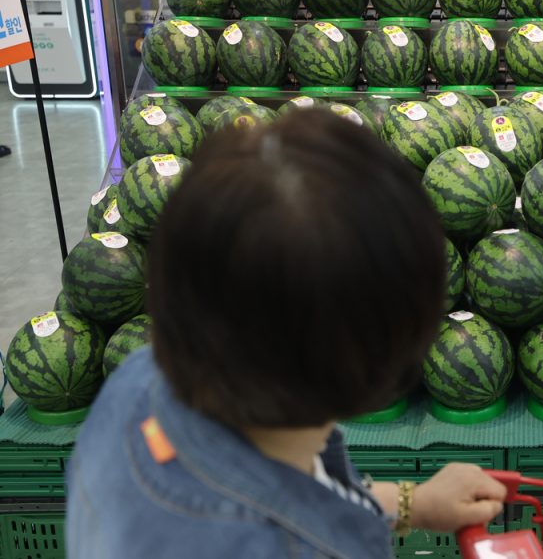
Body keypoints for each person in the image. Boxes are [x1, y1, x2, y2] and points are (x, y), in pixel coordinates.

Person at [66, 108, 507, 558]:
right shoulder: (324, 549)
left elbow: (289, 492)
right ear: (384, 363)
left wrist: (416, 504)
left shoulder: (137, 382)